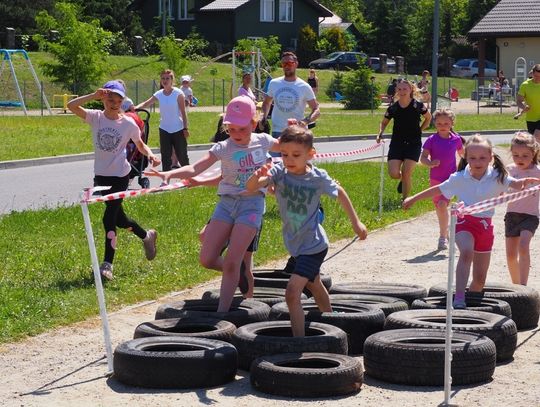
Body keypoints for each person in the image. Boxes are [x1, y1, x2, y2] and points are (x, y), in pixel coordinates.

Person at [145, 96, 280, 312]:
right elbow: (195, 168)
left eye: (242, 129)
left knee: (234, 260)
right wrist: (169, 173)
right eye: (231, 129)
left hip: (252, 204)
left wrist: (298, 130)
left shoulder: (264, 140)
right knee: (207, 259)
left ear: (253, 123)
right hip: (226, 204)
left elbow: (294, 145)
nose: (236, 134)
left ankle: (222, 313)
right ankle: (238, 273)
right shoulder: (223, 148)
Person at [246, 124, 368, 336]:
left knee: (292, 293)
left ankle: (299, 343)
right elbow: (251, 187)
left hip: (314, 245)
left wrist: (356, 223)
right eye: (284, 154)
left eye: (296, 154)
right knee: (315, 285)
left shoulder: (317, 177)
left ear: (310, 154)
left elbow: (340, 192)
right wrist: (257, 176)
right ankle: (331, 321)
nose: (289, 160)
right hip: (295, 244)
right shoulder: (279, 171)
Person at [403, 134, 540, 309]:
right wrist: (414, 198)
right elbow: (439, 188)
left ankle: (472, 303)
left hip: (485, 226)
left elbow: (515, 184)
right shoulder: (460, 177)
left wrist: (524, 182)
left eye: (483, 157)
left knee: (480, 279)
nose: (477, 161)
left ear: (490, 158)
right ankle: (459, 297)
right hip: (464, 222)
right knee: (466, 252)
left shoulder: (497, 175)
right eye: (473, 158)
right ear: (465, 157)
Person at [67, 80, 160, 280]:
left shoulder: (128, 123)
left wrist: (151, 155)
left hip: (120, 175)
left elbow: (141, 144)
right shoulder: (95, 118)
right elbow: (71, 106)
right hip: (100, 175)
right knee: (120, 219)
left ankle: (107, 264)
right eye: (110, 98)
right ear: (104, 99)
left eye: (118, 99)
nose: (114, 102)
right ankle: (147, 236)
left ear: (123, 101)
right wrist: (92, 95)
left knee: (108, 218)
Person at [376, 79, 432, 199]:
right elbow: (384, 122)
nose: (402, 91)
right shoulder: (393, 108)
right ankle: (403, 179)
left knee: (407, 174)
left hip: (413, 144)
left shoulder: (418, 105)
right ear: (396, 90)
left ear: (411, 89)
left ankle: (405, 201)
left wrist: (420, 130)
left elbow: (428, 118)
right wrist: (380, 133)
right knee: (393, 174)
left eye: (405, 89)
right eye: (399, 89)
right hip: (397, 143)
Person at [419, 109, 464, 250]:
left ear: (452, 123)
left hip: (450, 179)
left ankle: (442, 237)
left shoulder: (456, 139)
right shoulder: (431, 140)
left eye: (446, 123)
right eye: (439, 123)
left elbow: (463, 155)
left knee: (442, 205)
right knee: (439, 208)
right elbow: (423, 158)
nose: (442, 125)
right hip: (435, 179)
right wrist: (430, 163)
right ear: (435, 124)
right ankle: (446, 230)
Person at [261, 51, 320, 147]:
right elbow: (267, 103)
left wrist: (305, 121)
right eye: (284, 64)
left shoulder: (304, 86)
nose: (287, 66)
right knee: (276, 162)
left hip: (296, 133)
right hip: (277, 132)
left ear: (296, 64)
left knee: (295, 162)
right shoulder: (274, 83)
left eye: (290, 63)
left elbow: (316, 110)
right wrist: (263, 117)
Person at [135, 69, 189, 171]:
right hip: (164, 129)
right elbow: (146, 103)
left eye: (167, 78)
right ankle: (166, 180)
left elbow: (183, 112)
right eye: (163, 78)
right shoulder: (159, 93)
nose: (165, 80)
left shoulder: (178, 93)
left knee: (182, 155)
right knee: (165, 156)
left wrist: (185, 128)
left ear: (172, 80)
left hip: (178, 129)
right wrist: (135, 108)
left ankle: (189, 178)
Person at [505, 132, 540, 285]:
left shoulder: (538, 171)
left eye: (525, 155)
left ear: (534, 153)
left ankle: (523, 286)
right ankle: (516, 287)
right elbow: (500, 188)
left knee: (524, 246)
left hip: (530, 216)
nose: (520, 159)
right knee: (511, 255)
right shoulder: (509, 170)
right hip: (512, 216)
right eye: (516, 155)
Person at [517, 64, 540, 142]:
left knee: (537, 136)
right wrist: (524, 107)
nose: (538, 79)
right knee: (533, 142)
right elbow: (519, 101)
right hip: (531, 118)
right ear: (532, 74)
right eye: (536, 76)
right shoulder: (525, 85)